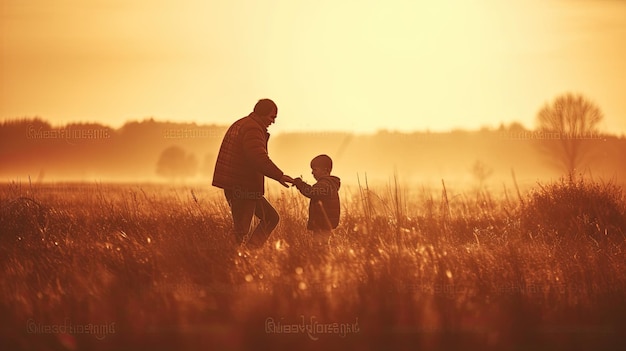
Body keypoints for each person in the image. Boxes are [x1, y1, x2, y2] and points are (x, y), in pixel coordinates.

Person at [212, 99, 294, 248]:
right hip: (243, 187)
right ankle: (238, 257)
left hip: (241, 186)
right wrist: (279, 175)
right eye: (272, 117)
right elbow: (258, 158)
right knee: (242, 230)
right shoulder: (253, 129)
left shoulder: (244, 124)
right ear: (261, 114)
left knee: (270, 218)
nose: (273, 121)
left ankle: (249, 253)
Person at [292, 154, 341, 246]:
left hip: (322, 223)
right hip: (325, 222)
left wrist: (300, 184)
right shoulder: (329, 184)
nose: (312, 173)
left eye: (314, 170)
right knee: (323, 244)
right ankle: (324, 258)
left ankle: (321, 259)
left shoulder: (324, 184)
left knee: (318, 245)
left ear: (325, 171)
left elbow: (311, 192)